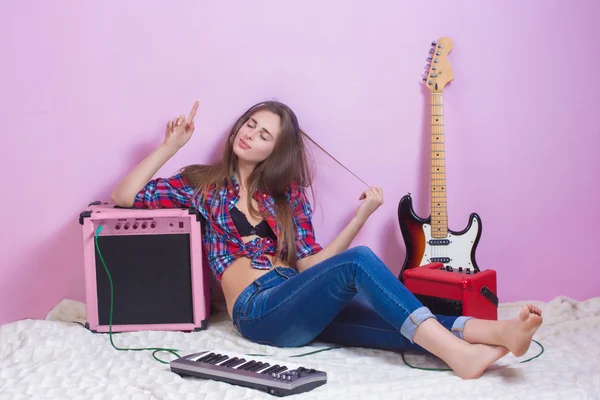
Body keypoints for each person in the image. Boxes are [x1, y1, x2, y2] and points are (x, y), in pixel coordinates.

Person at [111, 100, 543, 379]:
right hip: (257, 310)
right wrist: (172, 145)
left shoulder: (287, 196)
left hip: (293, 296)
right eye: (249, 124)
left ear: (273, 151)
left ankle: (497, 330)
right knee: (359, 263)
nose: (250, 134)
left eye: (265, 134)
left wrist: (360, 217)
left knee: (383, 321)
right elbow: (125, 196)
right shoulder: (202, 185)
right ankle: (460, 355)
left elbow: (309, 269)